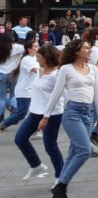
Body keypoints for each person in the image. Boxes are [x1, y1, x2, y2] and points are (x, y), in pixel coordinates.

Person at [40, 39, 98, 198]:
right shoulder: (66, 69)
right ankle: (60, 188)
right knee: (84, 150)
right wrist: (46, 116)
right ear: (76, 51)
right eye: (86, 48)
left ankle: (57, 192)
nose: (89, 50)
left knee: (73, 153)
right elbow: (56, 93)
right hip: (72, 113)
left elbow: (97, 92)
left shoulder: (93, 70)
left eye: (89, 48)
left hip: (89, 114)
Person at [14, 45, 64, 182]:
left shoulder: (57, 75)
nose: (36, 59)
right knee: (20, 138)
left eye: (39, 57)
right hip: (35, 113)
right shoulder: (39, 70)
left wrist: (46, 117)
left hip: (52, 114)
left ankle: (61, 177)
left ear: (47, 58)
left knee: (50, 146)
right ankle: (36, 165)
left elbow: (62, 96)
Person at [0, 40, 38, 131]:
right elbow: (36, 70)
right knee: (20, 112)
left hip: (3, 75)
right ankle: (4, 123)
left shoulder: (35, 57)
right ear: (29, 49)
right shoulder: (25, 58)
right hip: (23, 88)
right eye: (36, 46)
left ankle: (35, 129)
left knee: (2, 98)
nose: (38, 48)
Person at [0, 32, 24, 118]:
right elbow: (28, 50)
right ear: (12, 39)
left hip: (1, 74)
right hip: (14, 74)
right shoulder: (18, 47)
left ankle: (1, 118)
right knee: (13, 95)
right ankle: (13, 111)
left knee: (1, 98)